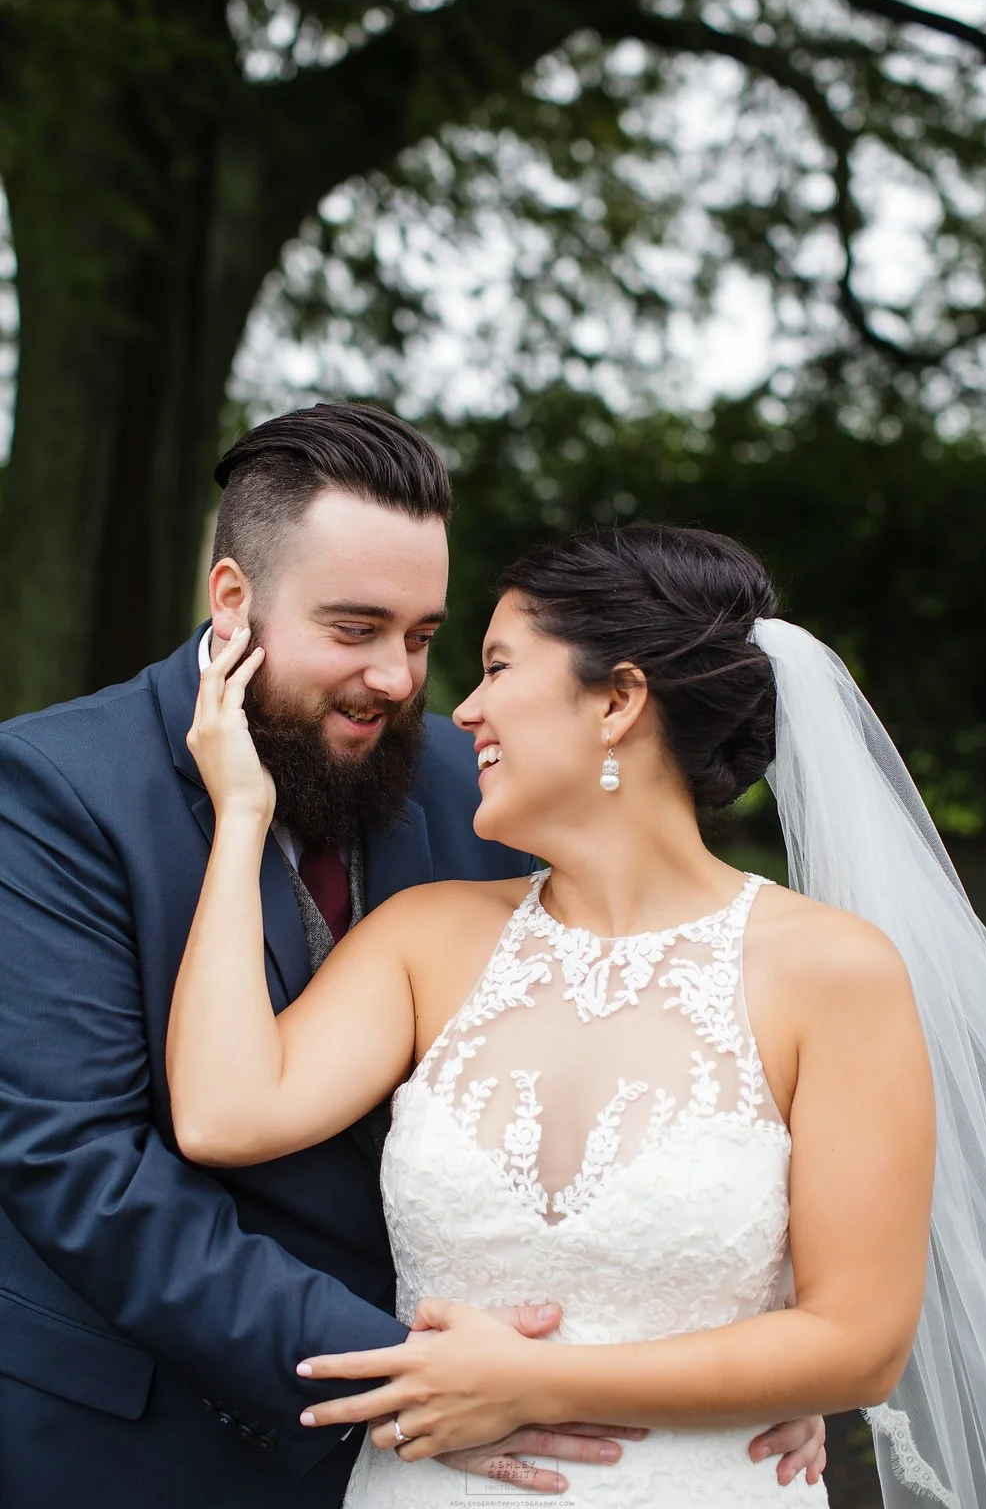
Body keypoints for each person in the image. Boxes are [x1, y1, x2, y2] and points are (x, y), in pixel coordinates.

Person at [0, 408, 823, 1509]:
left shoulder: (466, 770)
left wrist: (719, 1337)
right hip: (153, 1438)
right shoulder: (54, 789)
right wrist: (405, 1377)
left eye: (424, 637)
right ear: (234, 601)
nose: (398, 680)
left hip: (495, 1427)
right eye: (355, 629)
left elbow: (622, 1021)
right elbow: (82, 1170)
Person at [168, 518, 986, 1509]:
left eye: (495, 666)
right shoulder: (424, 938)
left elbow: (858, 1344)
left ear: (617, 700)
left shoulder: (831, 972)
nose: (466, 709)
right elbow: (224, 1114)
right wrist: (241, 817)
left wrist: (535, 1383)